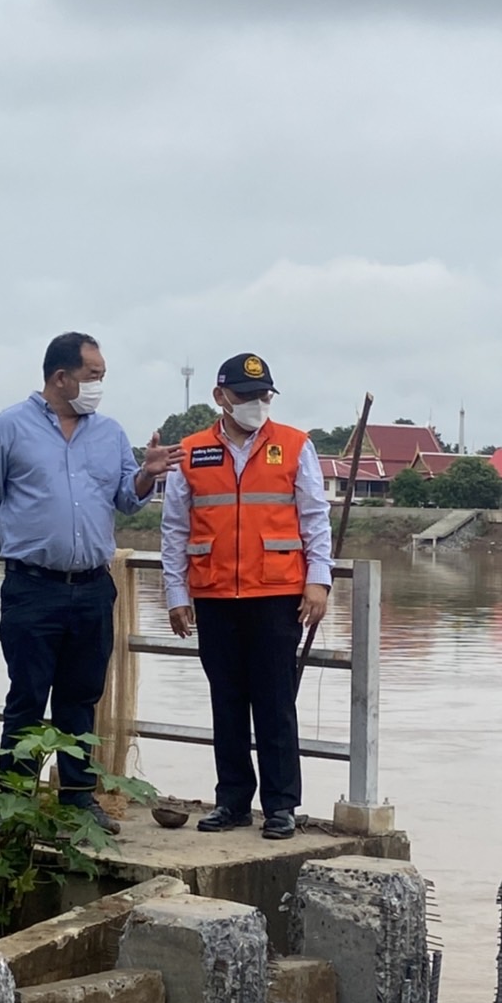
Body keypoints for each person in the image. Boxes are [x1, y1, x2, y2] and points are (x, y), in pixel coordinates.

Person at [0, 332, 181, 833]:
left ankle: (79, 799)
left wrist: (147, 475)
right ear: (61, 377)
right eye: (93, 375)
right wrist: (11, 542)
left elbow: (127, 498)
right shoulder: (6, 428)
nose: (99, 384)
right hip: (32, 587)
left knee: (81, 698)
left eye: (102, 376)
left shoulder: (109, 433)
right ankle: (14, 802)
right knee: (26, 696)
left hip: (92, 587)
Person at [160, 354, 332, 841]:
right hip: (214, 594)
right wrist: (176, 593)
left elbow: (315, 517)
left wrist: (318, 580)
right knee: (227, 701)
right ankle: (232, 801)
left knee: (276, 703)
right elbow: (174, 529)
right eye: (246, 395)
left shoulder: (295, 445)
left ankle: (281, 806)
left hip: (277, 593)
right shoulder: (191, 452)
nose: (257, 403)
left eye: (264, 395)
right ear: (220, 397)